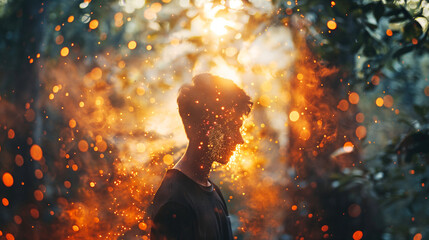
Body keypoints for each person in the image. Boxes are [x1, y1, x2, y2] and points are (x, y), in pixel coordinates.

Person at [149, 73, 252, 240]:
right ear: (209, 126)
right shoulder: (175, 203)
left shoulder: (212, 190)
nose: (240, 139)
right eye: (234, 127)